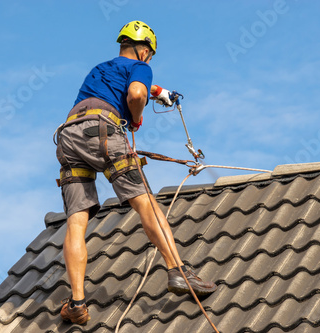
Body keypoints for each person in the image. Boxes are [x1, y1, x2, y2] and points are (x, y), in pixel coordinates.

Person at [56, 20, 217, 325]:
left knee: (77, 221)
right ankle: (177, 271)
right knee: (144, 202)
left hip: (68, 136)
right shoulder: (141, 67)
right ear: (144, 51)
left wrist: (161, 92)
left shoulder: (101, 68)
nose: (150, 60)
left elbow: (131, 83)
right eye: (150, 56)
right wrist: (136, 116)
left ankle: (77, 302)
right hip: (103, 131)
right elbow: (136, 93)